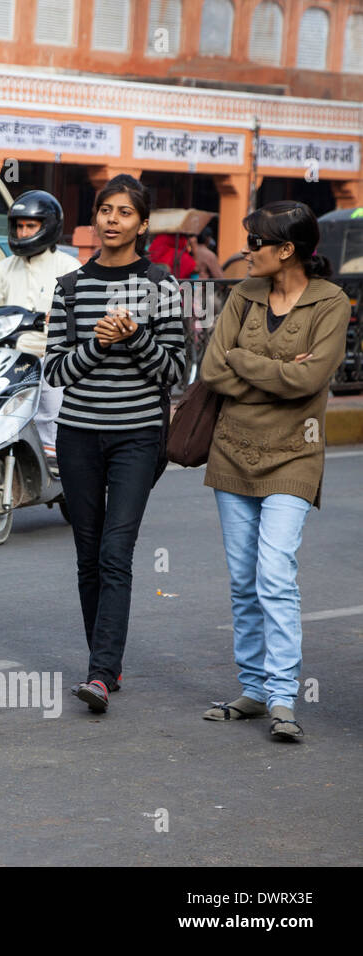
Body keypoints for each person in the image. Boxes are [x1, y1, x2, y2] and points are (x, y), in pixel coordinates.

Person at [199, 201, 349, 742]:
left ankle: (283, 695)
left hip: (295, 454)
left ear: (287, 250)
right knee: (243, 581)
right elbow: (213, 369)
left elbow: (308, 384)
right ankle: (255, 690)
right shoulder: (243, 294)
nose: (246, 250)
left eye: (256, 241)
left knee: (274, 574)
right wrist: (278, 372)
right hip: (232, 451)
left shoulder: (331, 302)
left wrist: (246, 361)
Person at [43, 174, 186, 714]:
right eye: (105, 210)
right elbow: (55, 371)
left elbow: (175, 368)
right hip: (78, 433)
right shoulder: (70, 286)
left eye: (125, 212)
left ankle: (99, 674)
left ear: (142, 224)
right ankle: (106, 663)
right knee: (87, 554)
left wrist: (134, 336)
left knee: (115, 552)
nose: (112, 220)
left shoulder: (161, 284)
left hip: (137, 437)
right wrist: (98, 346)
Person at [0, 189, 81, 466]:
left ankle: (53, 452)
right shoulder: (5, 268)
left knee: (51, 397)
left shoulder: (69, 267)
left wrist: (61, 319)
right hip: (11, 356)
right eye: (19, 225)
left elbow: (80, 313)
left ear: (49, 227)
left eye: (31, 225)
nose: (24, 231)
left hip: (49, 355)